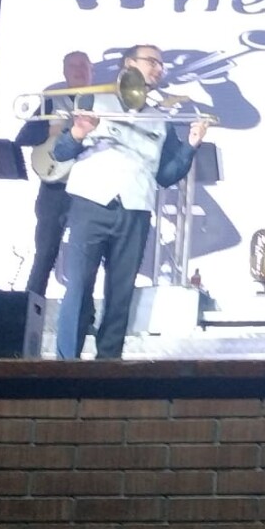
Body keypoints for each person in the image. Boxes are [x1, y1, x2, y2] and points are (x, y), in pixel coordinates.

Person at [49, 44, 209, 360]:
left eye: (160, 65)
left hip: (135, 211)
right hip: (91, 204)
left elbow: (166, 176)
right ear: (128, 63)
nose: (158, 69)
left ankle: (108, 364)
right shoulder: (94, 100)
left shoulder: (160, 119)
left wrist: (190, 146)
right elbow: (61, 153)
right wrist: (78, 133)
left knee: (121, 293)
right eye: (151, 62)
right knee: (78, 287)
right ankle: (66, 364)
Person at [13, 51, 93, 300]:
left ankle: (82, 310)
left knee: (87, 253)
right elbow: (23, 137)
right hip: (55, 187)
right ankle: (30, 307)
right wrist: (51, 129)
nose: (79, 70)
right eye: (73, 66)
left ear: (91, 71)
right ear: (64, 71)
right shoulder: (51, 100)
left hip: (90, 187)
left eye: (83, 66)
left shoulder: (103, 101)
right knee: (45, 253)